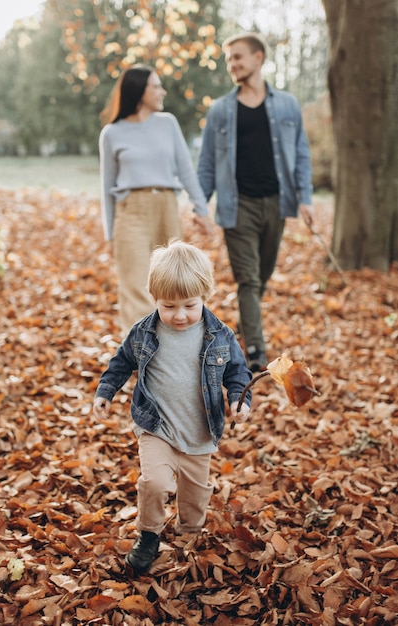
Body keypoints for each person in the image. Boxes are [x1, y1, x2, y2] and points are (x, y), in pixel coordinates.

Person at [93, 239, 252, 575]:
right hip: (156, 426)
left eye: (189, 306)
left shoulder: (220, 336)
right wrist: (105, 391)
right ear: (155, 299)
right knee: (153, 482)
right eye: (169, 306)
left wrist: (240, 401)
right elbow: (121, 362)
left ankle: (189, 535)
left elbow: (238, 373)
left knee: (194, 499)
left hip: (199, 430)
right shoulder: (144, 332)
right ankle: (148, 535)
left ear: (205, 296)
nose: (179, 315)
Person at [197, 32, 315, 372]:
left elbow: (302, 155)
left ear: (258, 58)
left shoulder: (287, 105)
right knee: (248, 280)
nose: (232, 64)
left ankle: (246, 326)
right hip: (238, 206)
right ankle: (257, 352)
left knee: (262, 276)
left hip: (276, 204)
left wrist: (305, 199)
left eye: (238, 57)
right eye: (229, 59)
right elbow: (207, 162)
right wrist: (200, 205)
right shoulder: (220, 110)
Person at [99, 64, 211, 335]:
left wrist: (202, 209)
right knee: (135, 285)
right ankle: (141, 358)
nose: (162, 91)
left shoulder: (168, 123)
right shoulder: (112, 133)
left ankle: (173, 349)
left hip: (166, 207)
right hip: (131, 211)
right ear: (139, 91)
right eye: (156, 86)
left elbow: (185, 170)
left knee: (174, 281)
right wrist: (110, 234)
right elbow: (107, 187)